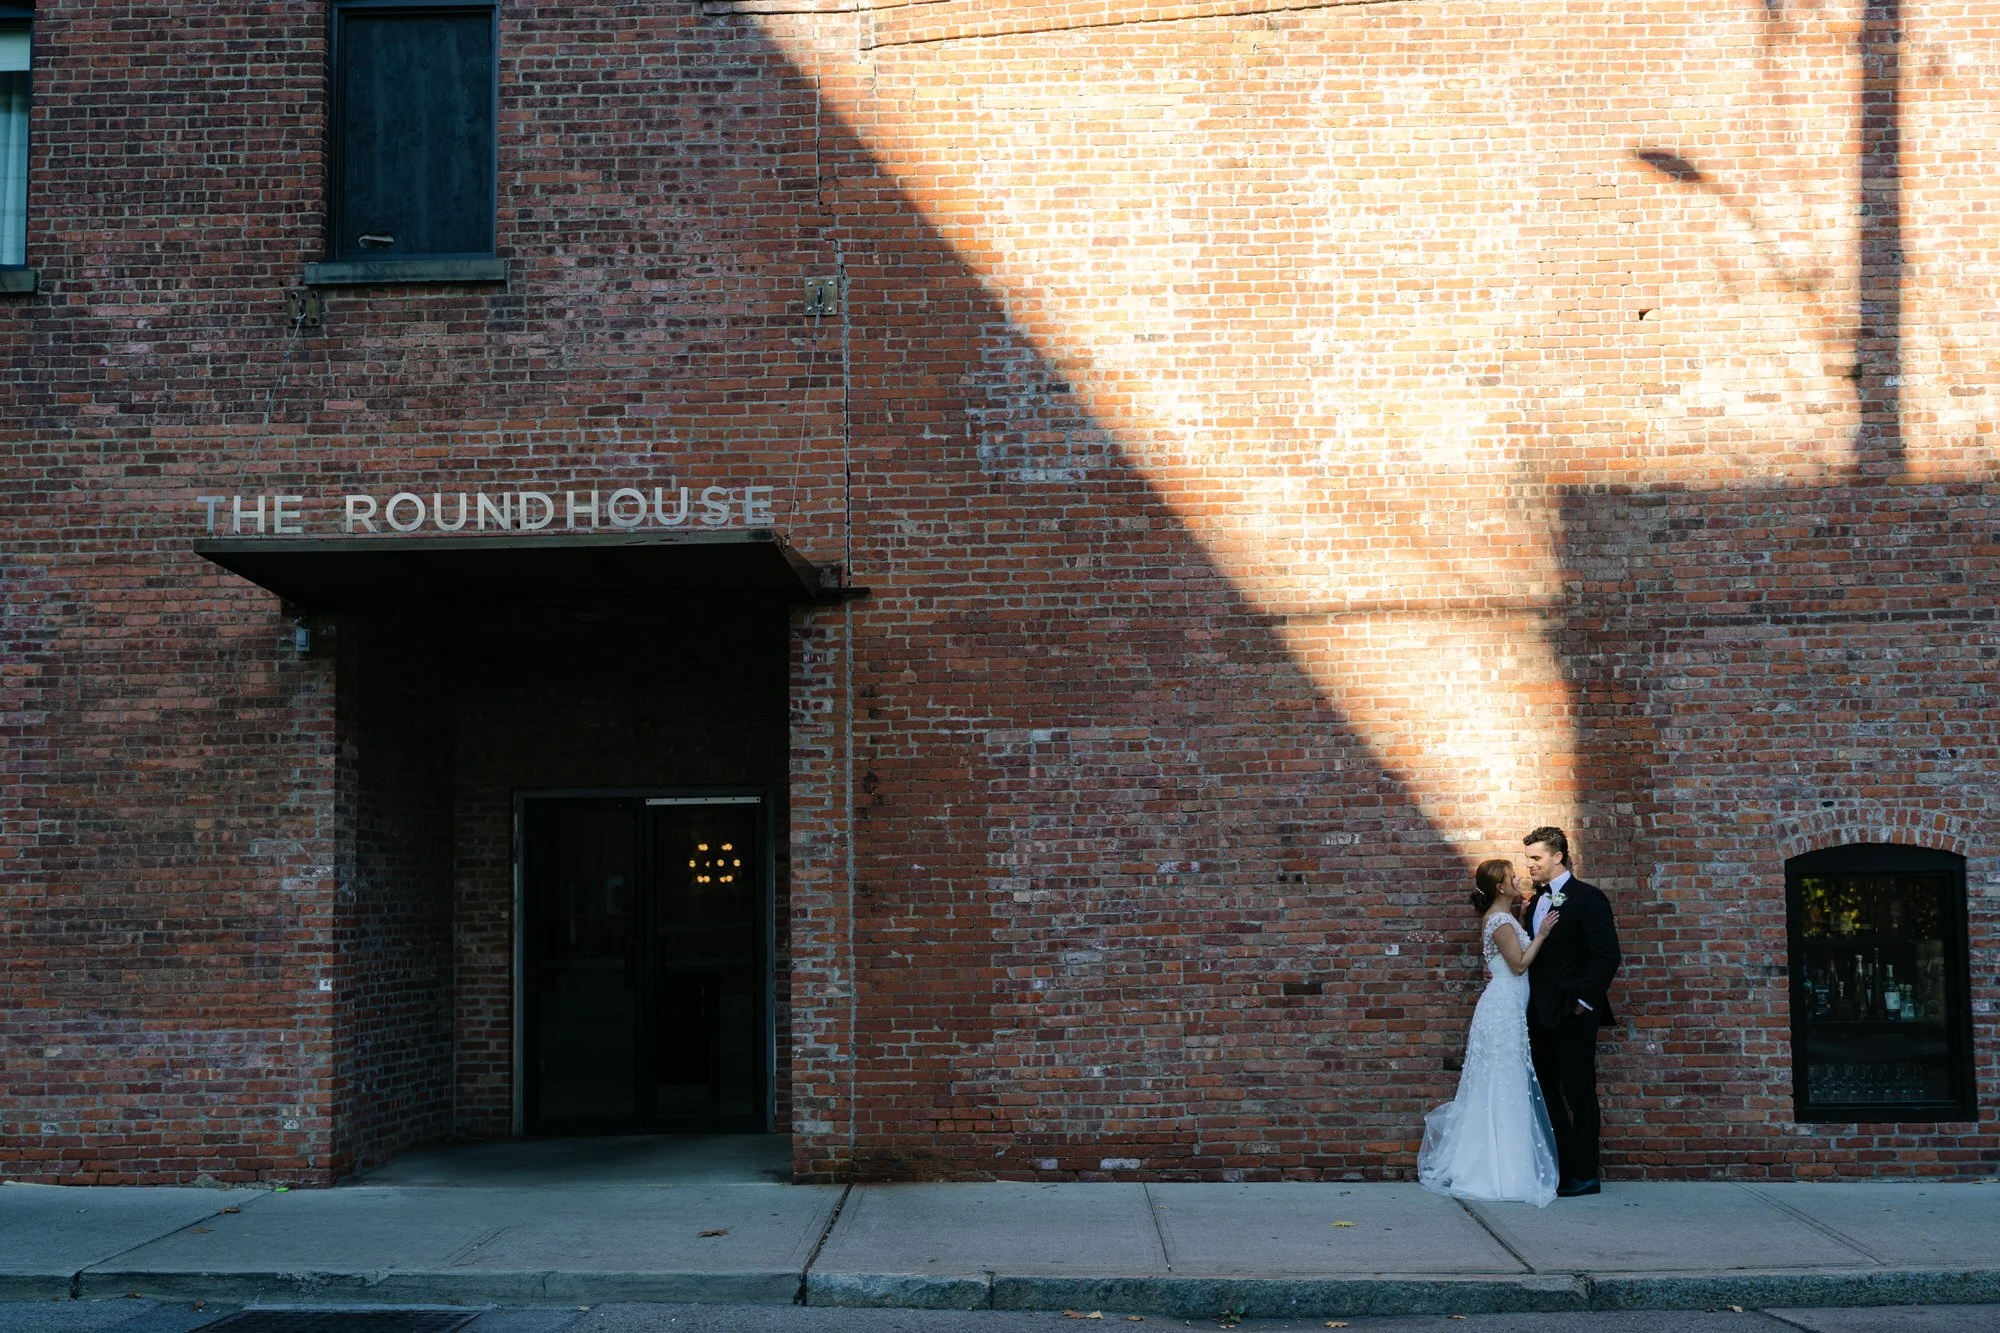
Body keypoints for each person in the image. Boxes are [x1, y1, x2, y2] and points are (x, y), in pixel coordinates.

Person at [1417, 858, 1563, 1206]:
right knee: (1502, 1081)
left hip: (1508, 1007)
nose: (1517, 879)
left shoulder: (1506, 918)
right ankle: (1495, 1171)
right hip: (1501, 1009)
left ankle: (1507, 1163)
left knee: (1505, 1081)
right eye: (1512, 877)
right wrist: (1541, 933)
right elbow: (1519, 964)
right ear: (1499, 886)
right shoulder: (1499, 921)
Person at [1522, 825, 1622, 1198]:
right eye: (1528, 858)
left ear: (1557, 857)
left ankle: (1585, 1174)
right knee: (1545, 1091)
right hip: (1538, 1014)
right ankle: (1561, 1168)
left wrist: (1584, 1003)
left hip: (1572, 1013)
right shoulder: (1534, 902)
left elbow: (1607, 954)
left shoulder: (1587, 898)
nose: (1530, 865)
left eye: (1536, 858)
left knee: (1580, 1093)